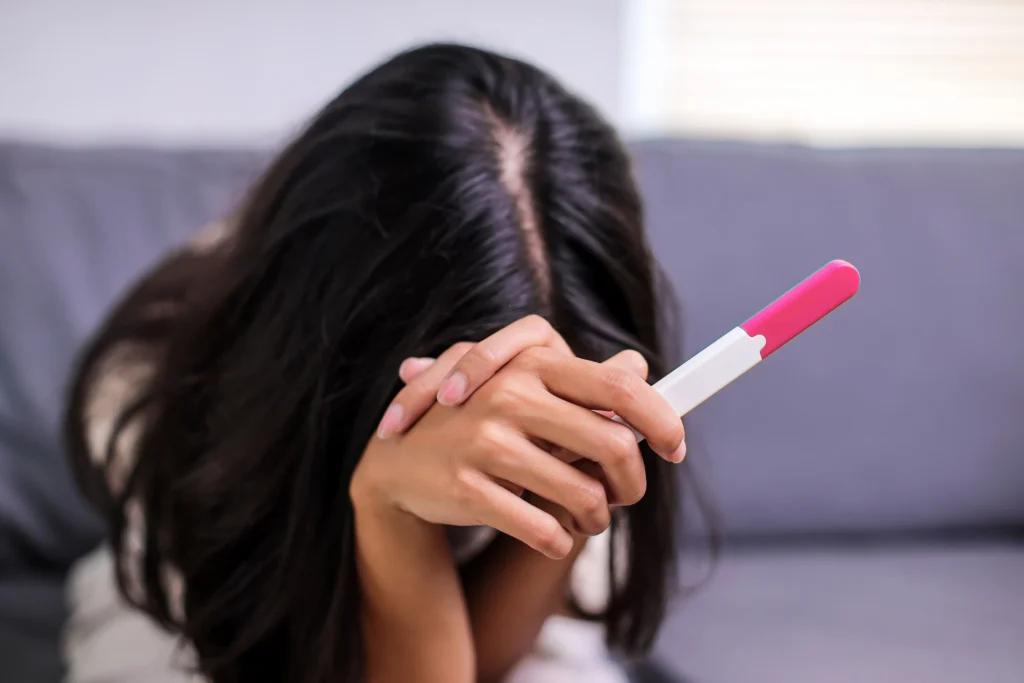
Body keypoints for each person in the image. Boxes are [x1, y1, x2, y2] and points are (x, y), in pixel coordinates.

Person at [62, 43, 703, 683]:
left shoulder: (591, 370)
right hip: (197, 589)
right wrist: (388, 501)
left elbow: (475, 667)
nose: (507, 401)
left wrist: (404, 522)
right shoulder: (151, 386)